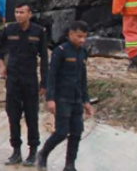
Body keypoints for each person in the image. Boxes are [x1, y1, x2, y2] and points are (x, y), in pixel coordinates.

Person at [0, 1, 48, 166]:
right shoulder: (9, 30)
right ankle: (16, 152)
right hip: (13, 80)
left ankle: (33, 152)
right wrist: (2, 65)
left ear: (30, 14)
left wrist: (44, 83)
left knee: (32, 117)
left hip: (30, 81)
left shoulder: (38, 32)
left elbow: (45, 60)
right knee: (13, 116)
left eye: (22, 12)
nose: (18, 15)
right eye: (16, 12)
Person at [37, 21, 93, 170]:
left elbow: (83, 78)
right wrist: (50, 99)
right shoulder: (60, 51)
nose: (82, 40)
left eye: (84, 37)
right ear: (70, 34)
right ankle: (43, 154)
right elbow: (52, 76)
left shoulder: (83, 52)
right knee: (61, 132)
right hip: (62, 98)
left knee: (76, 133)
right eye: (79, 36)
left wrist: (86, 101)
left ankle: (70, 165)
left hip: (77, 98)